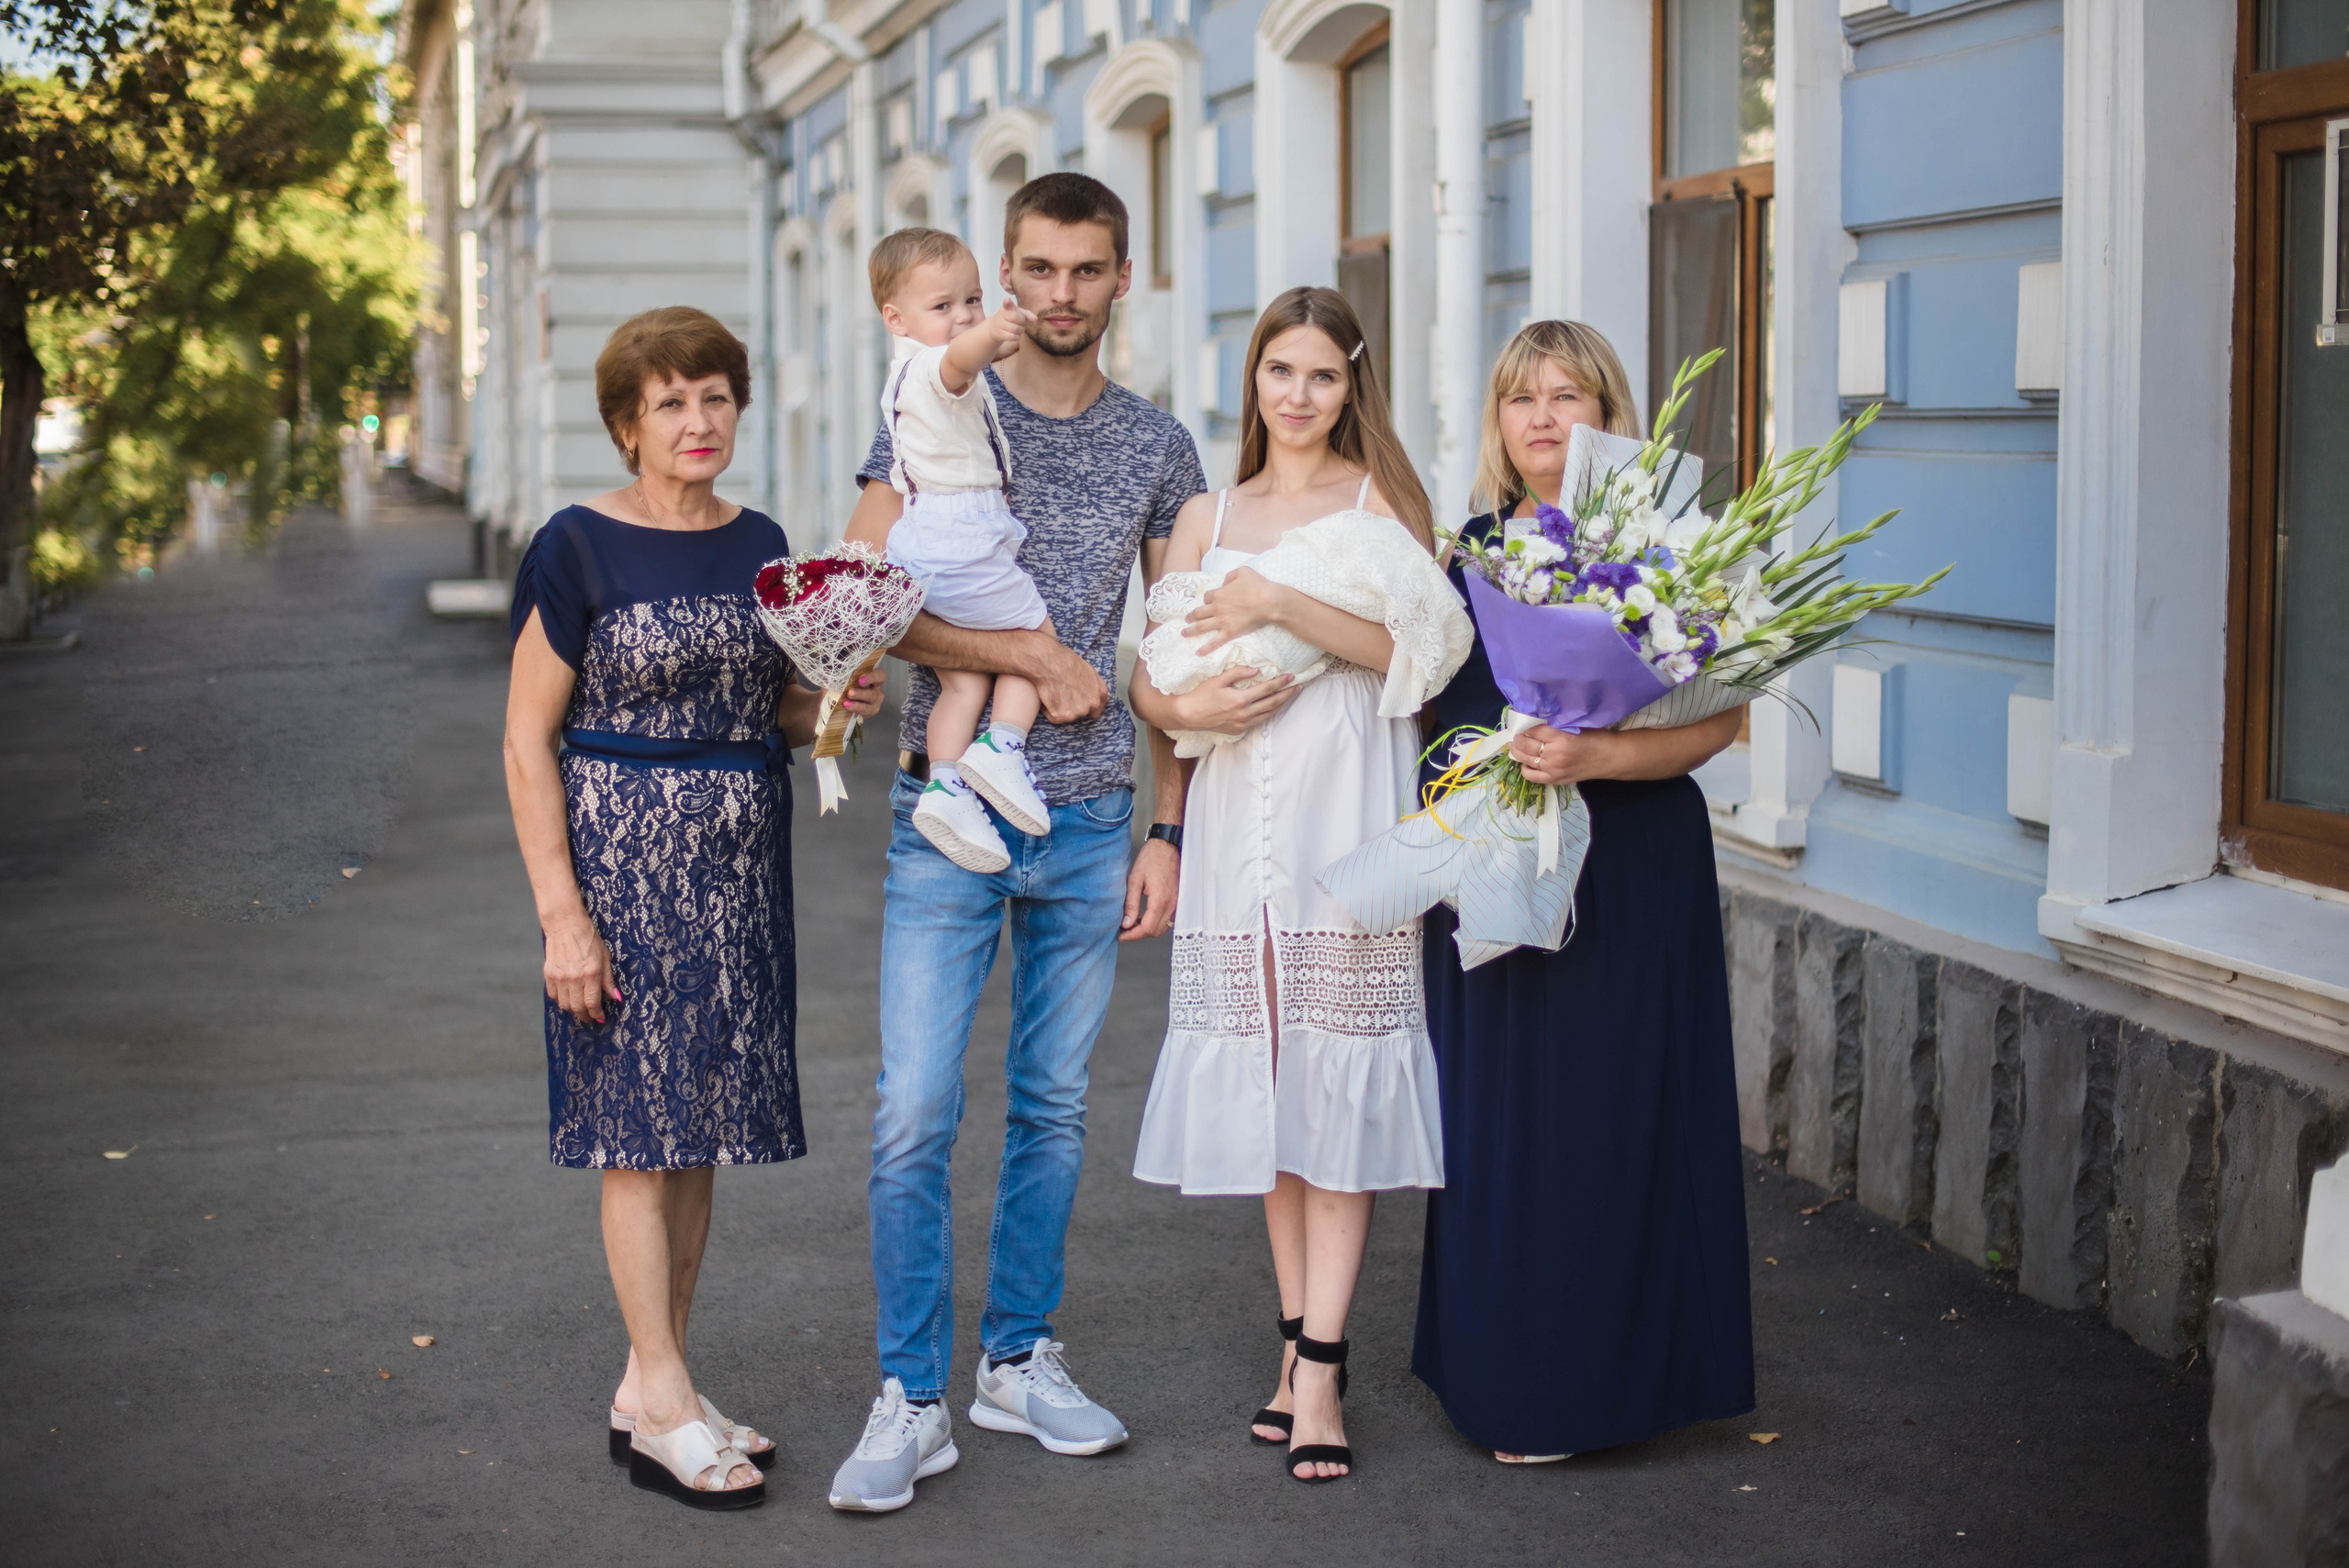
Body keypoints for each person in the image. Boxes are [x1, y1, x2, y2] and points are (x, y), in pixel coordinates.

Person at [824, 172, 1205, 1515]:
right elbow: (865, 601)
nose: (1057, 295)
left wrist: (1171, 821)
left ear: (1120, 279)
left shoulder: (1160, 447)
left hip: (1096, 814)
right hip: (950, 818)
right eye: (1034, 269)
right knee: (914, 1109)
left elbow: (1181, 648)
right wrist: (1031, 651)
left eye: (1085, 271)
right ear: (1003, 271)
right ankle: (910, 1396)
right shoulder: (935, 404)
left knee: (1050, 1110)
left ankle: (1015, 1360)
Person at [503, 306, 884, 1510]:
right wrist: (564, 917)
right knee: (637, 1128)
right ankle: (664, 1397)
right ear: (627, 424)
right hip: (621, 868)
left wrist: (834, 702)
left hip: (739, 869)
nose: (698, 419)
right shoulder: (576, 547)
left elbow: (772, 714)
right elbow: (524, 741)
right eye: (670, 401)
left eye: (715, 395)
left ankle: (652, 1377)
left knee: (702, 1124)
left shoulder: (760, 540)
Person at [1411, 318, 1756, 1463]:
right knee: (1506, 1128)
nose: (1545, 415)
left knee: (1616, 1120)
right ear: (1499, 423)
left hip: (1635, 862)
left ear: (1610, 414)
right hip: (1499, 861)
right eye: (1522, 397)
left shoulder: (1666, 547)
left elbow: (1723, 716)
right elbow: (1428, 716)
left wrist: (1594, 758)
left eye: (1569, 394)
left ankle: (1624, 1381)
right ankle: (1507, 1373)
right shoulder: (1461, 555)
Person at [1129, 285, 1453, 1485]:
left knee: (1337, 1070)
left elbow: (1421, 655)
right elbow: (1156, 677)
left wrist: (1278, 600)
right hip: (1233, 824)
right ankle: (1293, 1347)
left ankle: (1323, 1368)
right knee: (1269, 1076)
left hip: (1343, 814)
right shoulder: (1208, 513)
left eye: (1322, 374)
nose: (1300, 395)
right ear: (1253, 380)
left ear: (1349, 380)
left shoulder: (1381, 502)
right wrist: (1167, 769)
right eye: (1281, 372)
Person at [866, 226, 1056, 869]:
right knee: (1038, 637)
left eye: (972, 300)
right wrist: (993, 330)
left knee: (964, 681)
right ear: (896, 318)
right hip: (960, 537)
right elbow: (959, 360)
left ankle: (946, 783)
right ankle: (1003, 749)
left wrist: (978, 328)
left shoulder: (898, 384)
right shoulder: (927, 368)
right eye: (942, 306)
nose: (962, 317)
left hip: (923, 543)